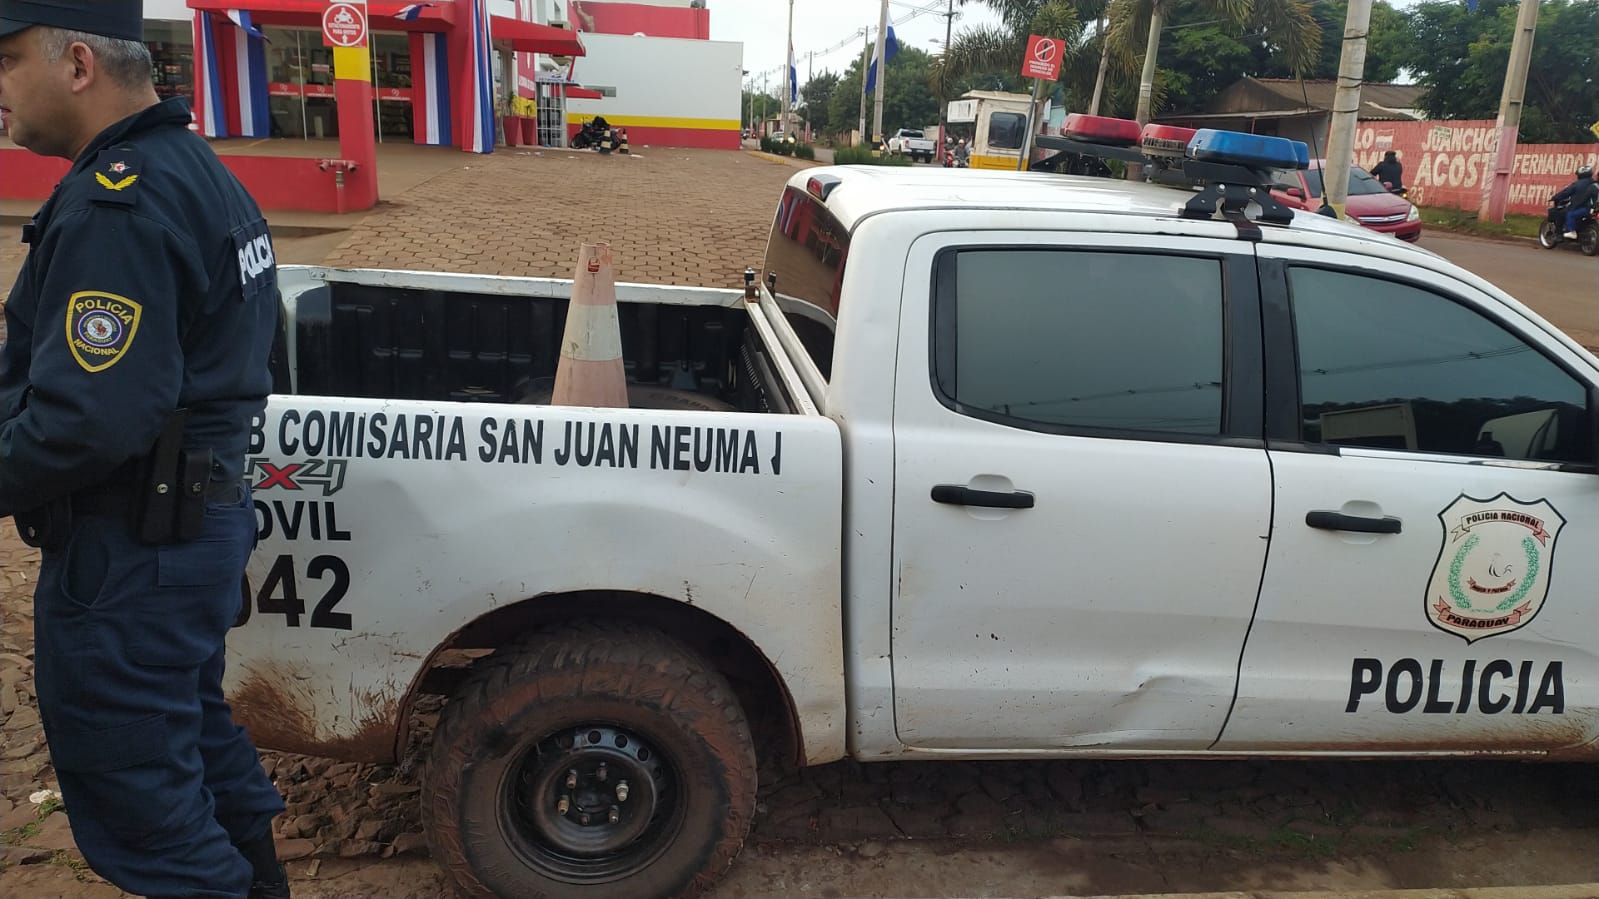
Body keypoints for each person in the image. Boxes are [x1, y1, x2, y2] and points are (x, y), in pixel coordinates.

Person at [0, 2, 288, 897]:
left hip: (133, 551)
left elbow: (87, 419)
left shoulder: (115, 204)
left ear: (77, 63)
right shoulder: (195, 170)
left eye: (7, 61)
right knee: (191, 739)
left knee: (146, 805)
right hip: (188, 530)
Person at [1551, 165, 1596, 240]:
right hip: (1592, 208)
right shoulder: (1594, 183)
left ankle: (1560, 234)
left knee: (1561, 213)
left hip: (1582, 207)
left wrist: (1555, 197)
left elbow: (1565, 192)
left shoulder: (1577, 184)